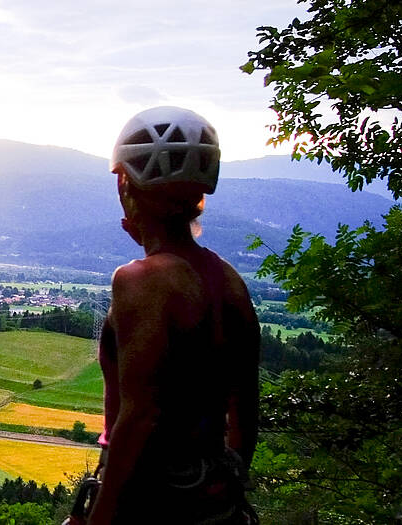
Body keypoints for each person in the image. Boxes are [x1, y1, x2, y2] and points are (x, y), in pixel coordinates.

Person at [72, 107, 261, 525]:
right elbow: (244, 408)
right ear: (199, 197)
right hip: (214, 498)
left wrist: (100, 518)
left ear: (125, 184)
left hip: (150, 498)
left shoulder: (140, 280)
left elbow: (140, 416)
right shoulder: (228, 280)